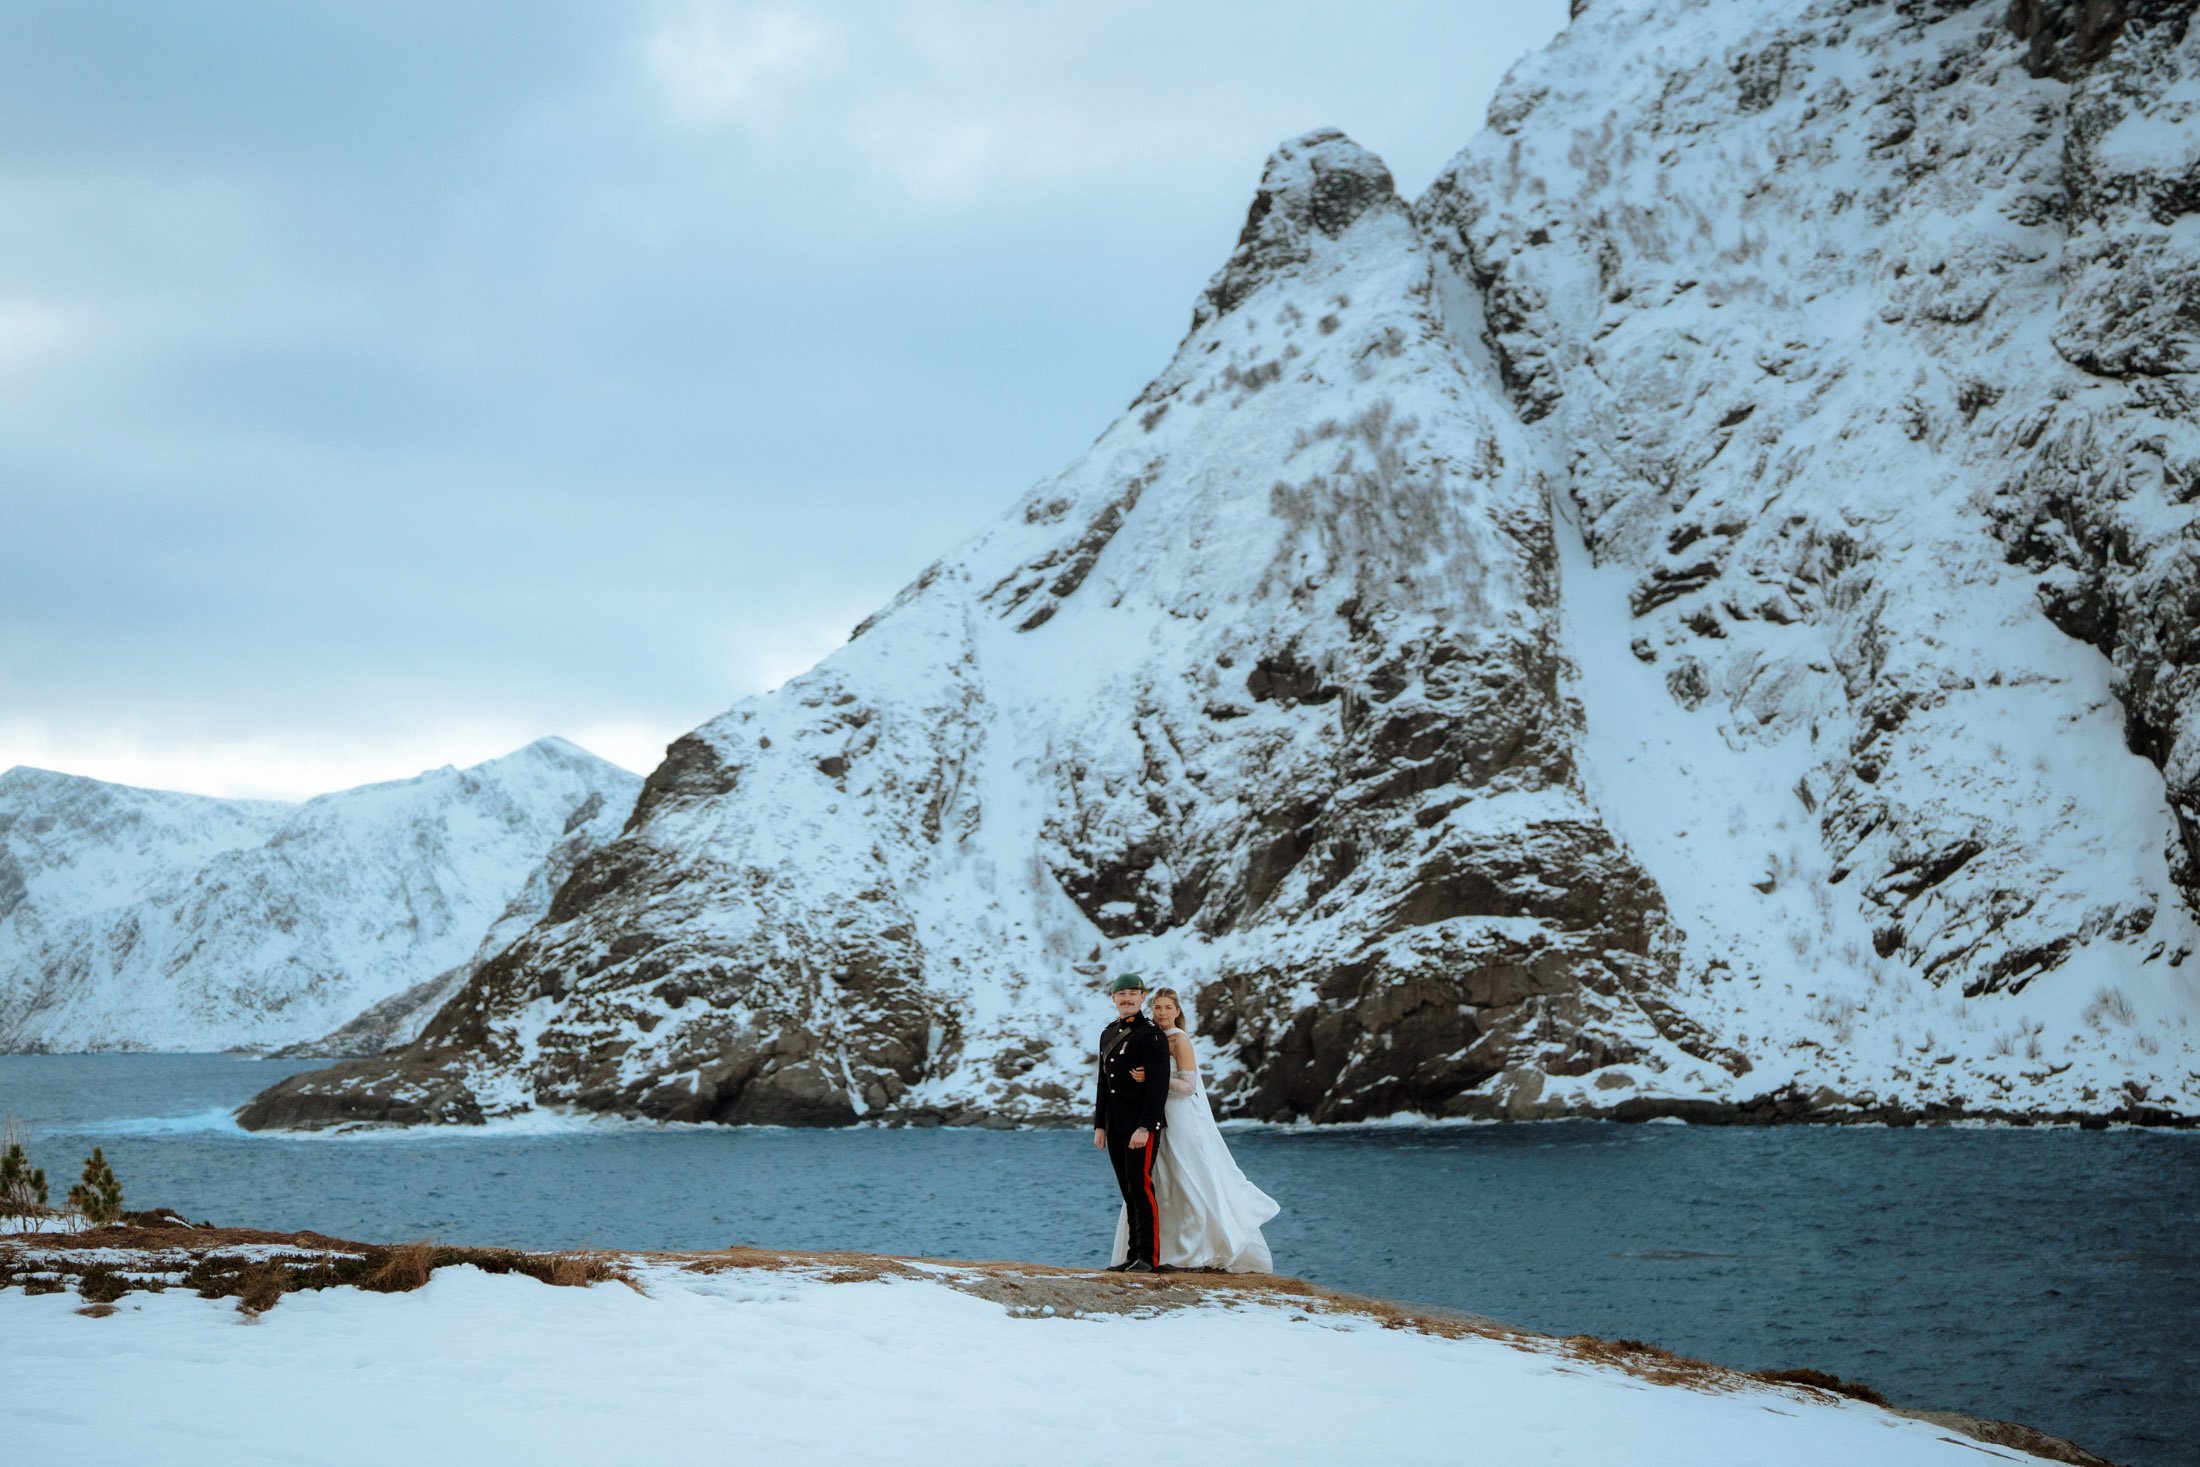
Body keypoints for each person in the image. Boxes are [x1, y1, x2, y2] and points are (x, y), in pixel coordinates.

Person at [1108, 986, 1279, 1272]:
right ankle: (1156, 1251)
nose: (1161, 1012)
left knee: (1188, 1178)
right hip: (1156, 1116)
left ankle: (1199, 1248)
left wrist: (1155, 1077)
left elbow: (1188, 1087)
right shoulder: (1152, 1038)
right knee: (1159, 1183)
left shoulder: (1180, 1040)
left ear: (1178, 1011)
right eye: (1157, 1007)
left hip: (1181, 1117)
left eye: (1167, 1007)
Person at [1092, 973, 1172, 1272]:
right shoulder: (1108, 1033)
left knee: (1141, 1189)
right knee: (1128, 1191)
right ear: (1113, 998)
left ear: (1142, 998)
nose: (1126, 999)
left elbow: (1159, 1086)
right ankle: (1131, 1256)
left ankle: (1148, 1258)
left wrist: (1145, 1127)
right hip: (1116, 1125)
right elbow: (1103, 1082)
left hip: (1140, 1127)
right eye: (1121, 994)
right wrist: (1100, 1125)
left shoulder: (1150, 1035)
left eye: (1132, 994)